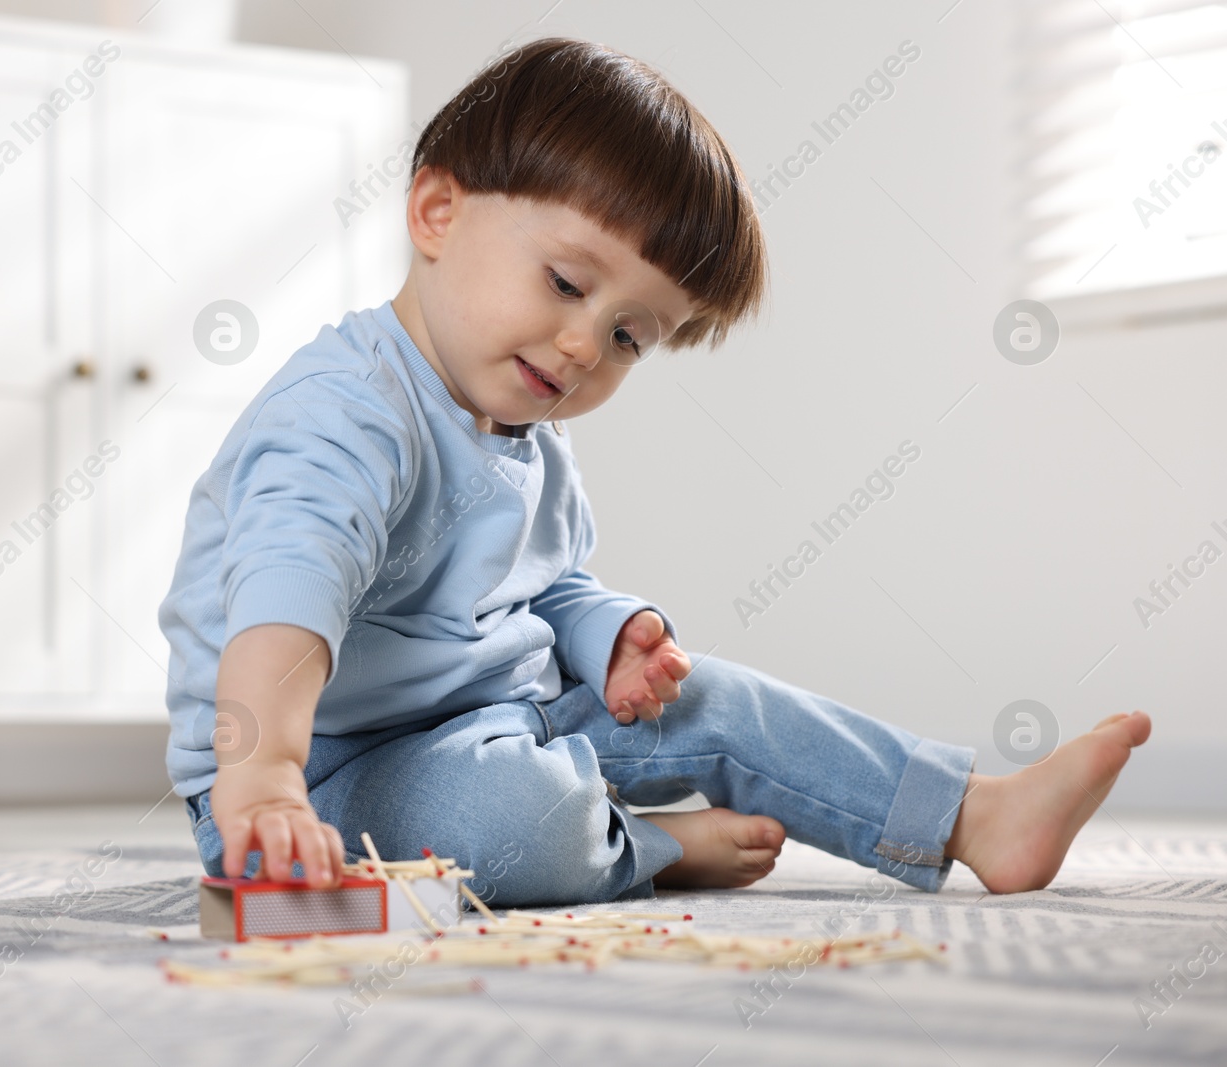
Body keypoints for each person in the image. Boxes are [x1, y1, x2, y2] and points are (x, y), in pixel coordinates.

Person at [158, 37, 1151, 907]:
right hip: (320, 774)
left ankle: (969, 814)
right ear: (436, 210)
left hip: (492, 718)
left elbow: (550, 585)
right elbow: (288, 596)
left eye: (631, 335)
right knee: (519, 814)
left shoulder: (527, 432)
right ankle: (647, 846)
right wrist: (264, 785)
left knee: (714, 700)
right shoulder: (346, 413)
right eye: (565, 283)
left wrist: (608, 633)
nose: (586, 343)